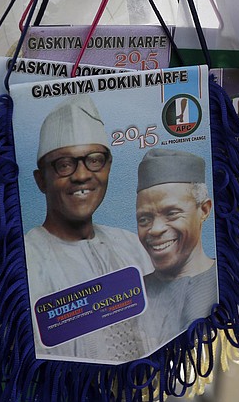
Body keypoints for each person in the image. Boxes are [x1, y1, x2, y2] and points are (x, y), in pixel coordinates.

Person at [23, 95, 153, 362]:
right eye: (64, 164)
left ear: (108, 168)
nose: (81, 175)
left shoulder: (132, 246)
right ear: (41, 180)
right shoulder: (26, 261)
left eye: (94, 159)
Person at [135, 148, 218, 350]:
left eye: (171, 213)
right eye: (144, 219)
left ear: (204, 209)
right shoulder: (133, 295)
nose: (155, 229)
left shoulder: (230, 281)